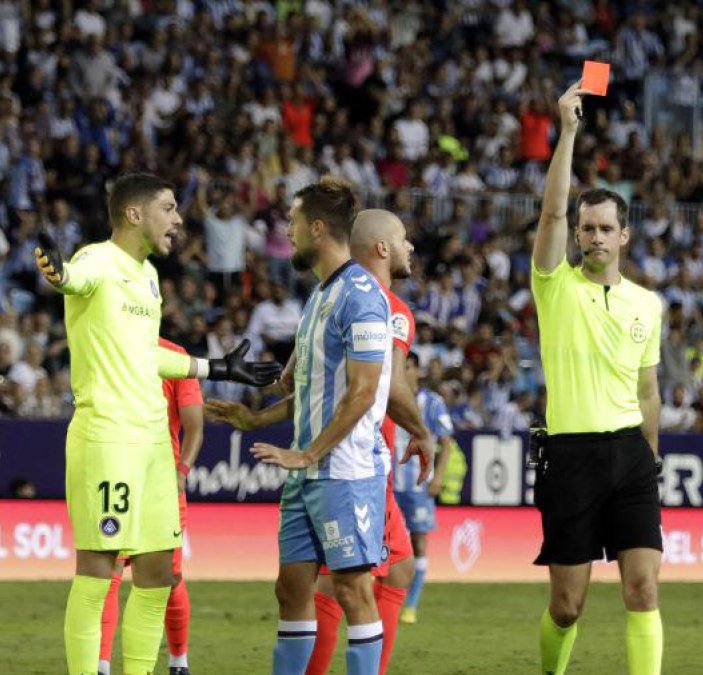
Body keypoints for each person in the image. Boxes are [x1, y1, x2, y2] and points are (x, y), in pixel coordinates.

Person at [33, 172, 282, 675]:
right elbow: (71, 279)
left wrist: (214, 368)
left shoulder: (147, 278)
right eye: (168, 208)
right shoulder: (96, 261)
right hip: (108, 437)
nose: (178, 219)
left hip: (153, 446)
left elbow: (147, 354)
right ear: (134, 214)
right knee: (99, 570)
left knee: (157, 574)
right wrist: (55, 275)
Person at [208, 208, 435, 675]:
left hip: (347, 462)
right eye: (405, 239)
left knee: (368, 576)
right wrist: (422, 430)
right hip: (355, 464)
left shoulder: (325, 297)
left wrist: (257, 418)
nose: (411, 247)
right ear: (382, 248)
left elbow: (305, 387)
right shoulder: (386, 308)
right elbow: (385, 386)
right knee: (350, 583)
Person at [530, 82, 665, 675]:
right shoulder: (553, 285)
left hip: (631, 458)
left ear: (624, 236)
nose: (594, 237)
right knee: (568, 605)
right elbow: (552, 210)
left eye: (606, 229)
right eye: (587, 229)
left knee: (643, 591)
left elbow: (649, 390)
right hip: (571, 456)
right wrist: (568, 132)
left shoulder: (647, 304)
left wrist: (651, 458)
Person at [98, 337, 204, 675]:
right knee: (108, 572)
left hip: (161, 485)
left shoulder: (175, 356)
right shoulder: (107, 345)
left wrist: (181, 471)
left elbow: (194, 426)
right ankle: (100, 665)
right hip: (116, 482)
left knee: (168, 577)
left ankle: (178, 662)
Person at [394, 351, 454, 626]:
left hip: (418, 486)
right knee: (382, 544)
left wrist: (438, 477)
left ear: (417, 370)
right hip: (387, 484)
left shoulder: (432, 402)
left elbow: (446, 441)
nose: (402, 371)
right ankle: (385, 600)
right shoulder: (385, 398)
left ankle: (411, 604)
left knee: (419, 543)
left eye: (407, 366)